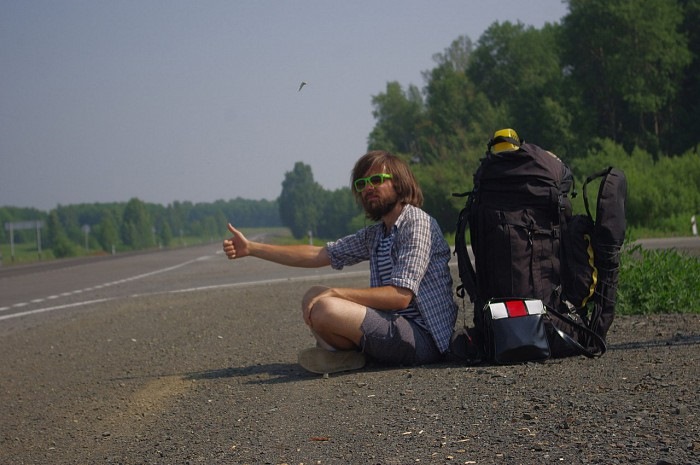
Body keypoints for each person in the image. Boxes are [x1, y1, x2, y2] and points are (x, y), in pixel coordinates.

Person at [223, 150, 457, 374]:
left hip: (424, 339)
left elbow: (400, 296)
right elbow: (319, 254)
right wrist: (252, 248)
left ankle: (341, 352)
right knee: (312, 295)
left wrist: (336, 292)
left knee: (326, 305)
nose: (368, 188)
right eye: (361, 184)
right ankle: (346, 356)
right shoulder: (376, 234)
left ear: (399, 183)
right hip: (394, 325)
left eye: (376, 179)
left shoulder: (416, 222)